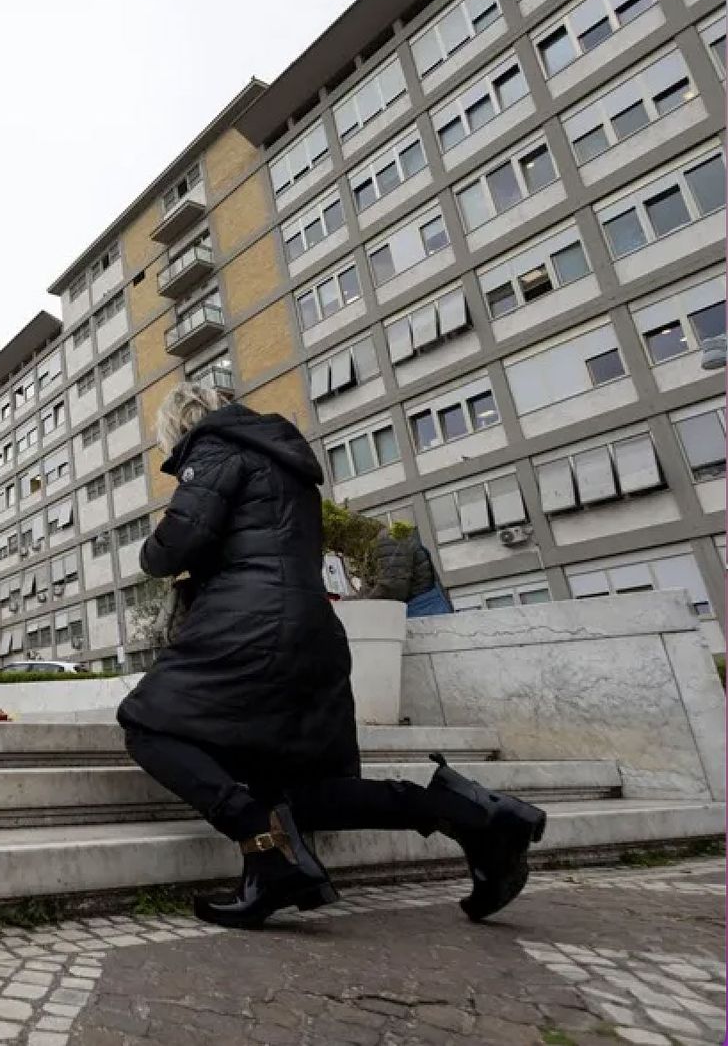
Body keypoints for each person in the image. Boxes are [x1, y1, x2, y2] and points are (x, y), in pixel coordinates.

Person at [116, 383, 546, 930]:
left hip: (246, 628)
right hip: (312, 632)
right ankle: (477, 817)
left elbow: (172, 547)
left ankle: (264, 845)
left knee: (145, 723)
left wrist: (153, 545)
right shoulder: (286, 462)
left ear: (179, 425)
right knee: (308, 797)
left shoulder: (214, 449)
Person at [369, 524, 452, 617]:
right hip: (429, 605)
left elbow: (393, 586)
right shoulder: (395, 539)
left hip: (421, 610)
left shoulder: (388, 541)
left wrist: (365, 603)